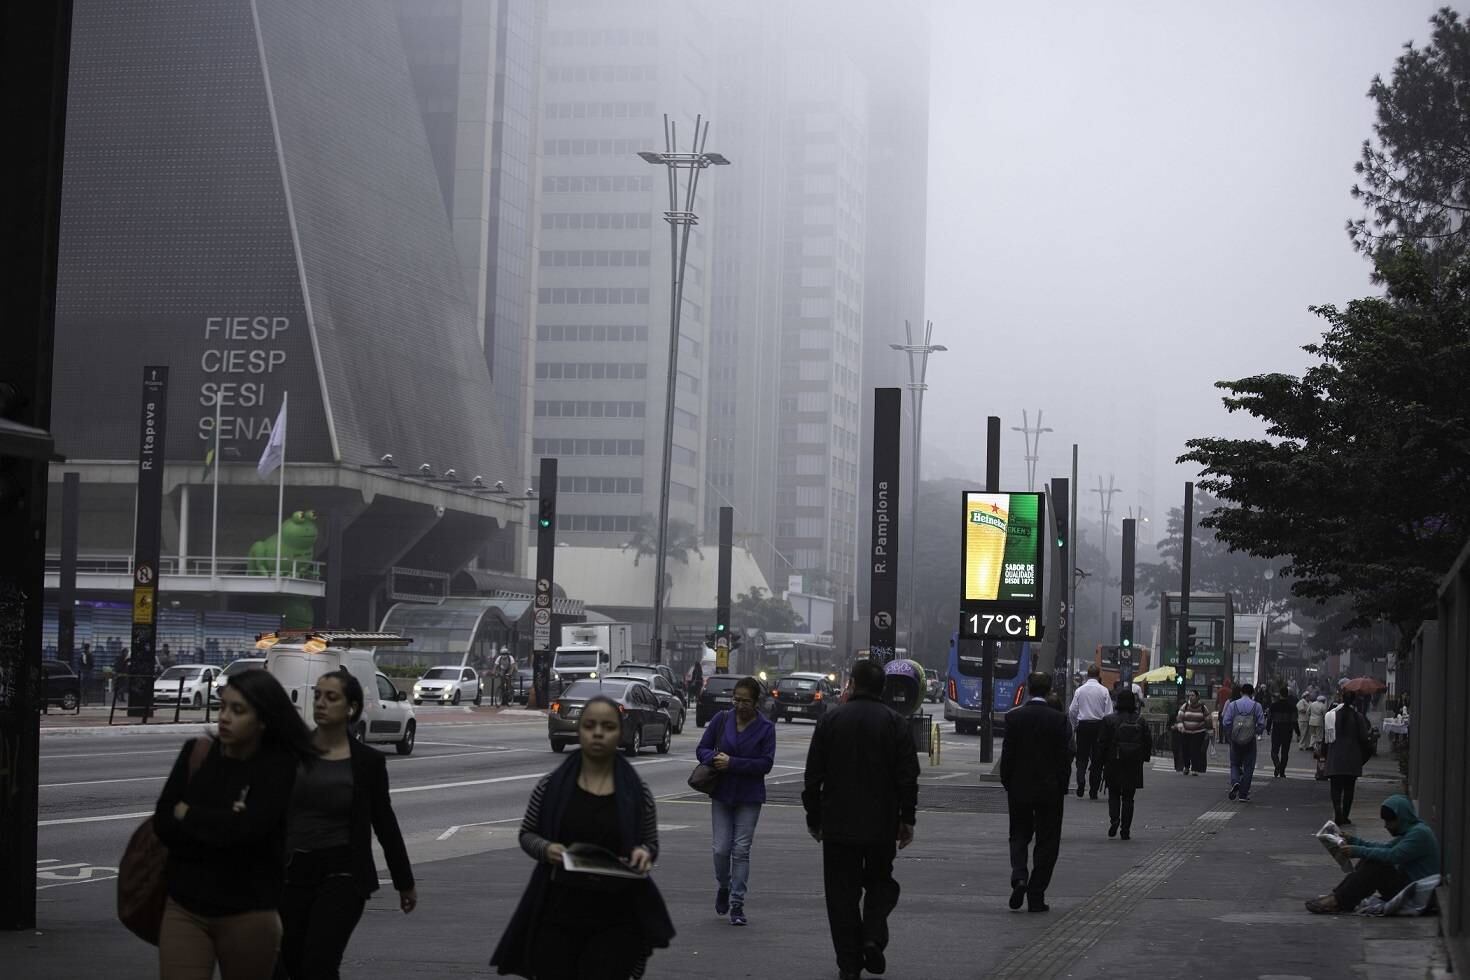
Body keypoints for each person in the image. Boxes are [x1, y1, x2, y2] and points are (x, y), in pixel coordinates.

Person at [491, 696, 673, 979]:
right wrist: (546, 849)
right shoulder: (551, 785)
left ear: (620, 732)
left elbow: (650, 844)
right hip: (559, 909)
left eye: (607, 726)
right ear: (580, 731)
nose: (598, 732)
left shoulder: (638, 792)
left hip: (616, 915)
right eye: (590, 725)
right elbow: (528, 833)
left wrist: (643, 854)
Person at [152, 670, 318, 980]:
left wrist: (189, 814)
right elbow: (163, 823)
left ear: (263, 720)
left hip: (249, 912)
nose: (225, 717)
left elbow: (250, 832)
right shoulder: (197, 754)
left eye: (238, 710)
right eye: (223, 707)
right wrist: (227, 821)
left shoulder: (278, 768)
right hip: (185, 906)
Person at [279, 669, 416, 979]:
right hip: (292, 873)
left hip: (343, 875)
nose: (321, 703)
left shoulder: (367, 762)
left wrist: (404, 882)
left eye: (331, 697)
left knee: (320, 962)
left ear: (351, 708)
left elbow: (384, 822)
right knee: (288, 960)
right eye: (317, 696)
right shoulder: (292, 753)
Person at [802, 658, 918, 980]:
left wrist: (814, 817)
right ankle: (871, 935)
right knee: (881, 883)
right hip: (881, 825)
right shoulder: (896, 723)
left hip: (838, 824)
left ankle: (849, 965)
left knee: (841, 896)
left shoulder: (831, 720)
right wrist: (906, 818)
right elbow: (908, 776)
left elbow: (813, 776)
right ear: (883, 688)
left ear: (852, 683)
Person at [695, 675, 776, 926]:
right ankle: (724, 885)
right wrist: (714, 758)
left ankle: (737, 903)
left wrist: (734, 763)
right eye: (736, 699)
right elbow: (702, 749)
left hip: (749, 796)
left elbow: (766, 763)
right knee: (720, 849)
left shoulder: (765, 728)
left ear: (756, 703)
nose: (739, 705)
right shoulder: (722, 719)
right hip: (722, 792)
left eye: (745, 701)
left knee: (741, 850)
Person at [1000, 672, 1071, 914]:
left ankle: (1019, 875)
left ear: (1028, 688)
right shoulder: (1059, 720)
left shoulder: (1014, 718)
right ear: (1049, 688)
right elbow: (1064, 758)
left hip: (1020, 787)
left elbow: (1007, 756)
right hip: (1050, 790)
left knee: (1018, 834)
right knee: (1047, 842)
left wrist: (1008, 781)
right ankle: (1036, 894)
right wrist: (1063, 785)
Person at [1307, 795, 1441, 914]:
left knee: (1377, 864)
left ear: (1401, 818)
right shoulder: (1413, 831)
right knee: (1372, 858)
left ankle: (1338, 901)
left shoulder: (1419, 834)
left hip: (1414, 893)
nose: (1386, 826)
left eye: (1389, 822)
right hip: (1408, 885)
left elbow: (1393, 855)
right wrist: (1355, 841)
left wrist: (1357, 851)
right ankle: (1338, 897)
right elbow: (1385, 848)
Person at [1097, 689, 1152, 840]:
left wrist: (1101, 762)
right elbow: (1148, 742)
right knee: (1129, 797)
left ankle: (1114, 819)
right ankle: (1125, 829)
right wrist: (1143, 758)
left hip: (1113, 761)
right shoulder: (1140, 720)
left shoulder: (1109, 720)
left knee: (1114, 794)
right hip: (1133, 763)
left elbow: (1102, 743)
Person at [1324, 693, 1373, 826]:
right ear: (1354, 701)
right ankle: (1345, 815)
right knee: (1349, 789)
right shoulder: (1358, 717)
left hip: (1335, 757)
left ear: (1341, 700)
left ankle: (1337, 812)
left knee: (1335, 788)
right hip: (1352, 758)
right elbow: (1364, 737)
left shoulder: (1332, 716)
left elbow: (1326, 737)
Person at [1065, 664, 1112, 800]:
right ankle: (1093, 790)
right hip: (1099, 727)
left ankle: (1080, 781)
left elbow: (1072, 710)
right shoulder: (1104, 691)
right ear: (1099, 675)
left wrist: (1075, 724)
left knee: (1082, 757)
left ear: (1087, 675)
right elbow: (1108, 713)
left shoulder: (1080, 690)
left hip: (1083, 726)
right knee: (1097, 760)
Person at [1221, 682, 1266, 801]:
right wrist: (1255, 731)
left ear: (1241, 692)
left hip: (1235, 739)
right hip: (1250, 740)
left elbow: (1226, 722)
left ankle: (1235, 782)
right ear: (1253, 693)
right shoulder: (1257, 706)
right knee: (1249, 766)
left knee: (1235, 763)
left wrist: (1230, 734)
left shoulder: (1233, 705)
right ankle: (1243, 794)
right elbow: (1261, 724)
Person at [1267, 683, 1301, 778]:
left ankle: (1277, 765)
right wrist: (1298, 732)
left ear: (1280, 694)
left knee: (1274, 752)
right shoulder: (1292, 707)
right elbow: (1294, 721)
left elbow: (1269, 718)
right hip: (1287, 731)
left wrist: (1268, 728)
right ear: (1288, 694)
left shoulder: (1274, 706)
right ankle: (1282, 771)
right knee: (1285, 753)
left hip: (1276, 731)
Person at [1178, 690, 1211, 775]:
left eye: (1193, 695)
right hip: (1186, 732)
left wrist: (1208, 727)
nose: (1191, 697)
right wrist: (1181, 725)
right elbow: (1180, 716)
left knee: (1195, 751)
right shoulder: (1185, 706)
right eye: (1190, 695)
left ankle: (1195, 768)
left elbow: (1207, 718)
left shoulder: (1203, 707)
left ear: (1197, 697)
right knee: (1185, 750)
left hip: (1198, 732)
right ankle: (1186, 766)